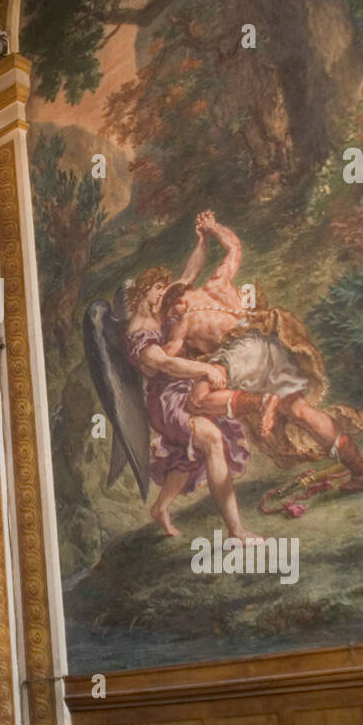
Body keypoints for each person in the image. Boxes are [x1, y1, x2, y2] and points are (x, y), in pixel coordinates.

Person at [161, 212, 363, 493]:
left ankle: (263, 401)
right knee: (301, 411)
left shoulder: (182, 321)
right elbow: (234, 247)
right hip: (268, 345)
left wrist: (146, 352)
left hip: (240, 353)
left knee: (198, 400)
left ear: (174, 304)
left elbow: (167, 355)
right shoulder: (217, 283)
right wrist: (213, 228)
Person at [123, 213, 258, 541]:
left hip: (185, 391)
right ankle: (237, 531)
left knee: (187, 456)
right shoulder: (138, 332)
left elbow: (189, 273)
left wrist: (202, 240)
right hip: (166, 402)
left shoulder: (160, 308)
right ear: (143, 292)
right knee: (211, 441)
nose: (164, 294)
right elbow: (167, 365)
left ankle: (161, 508)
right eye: (158, 289)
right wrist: (205, 369)